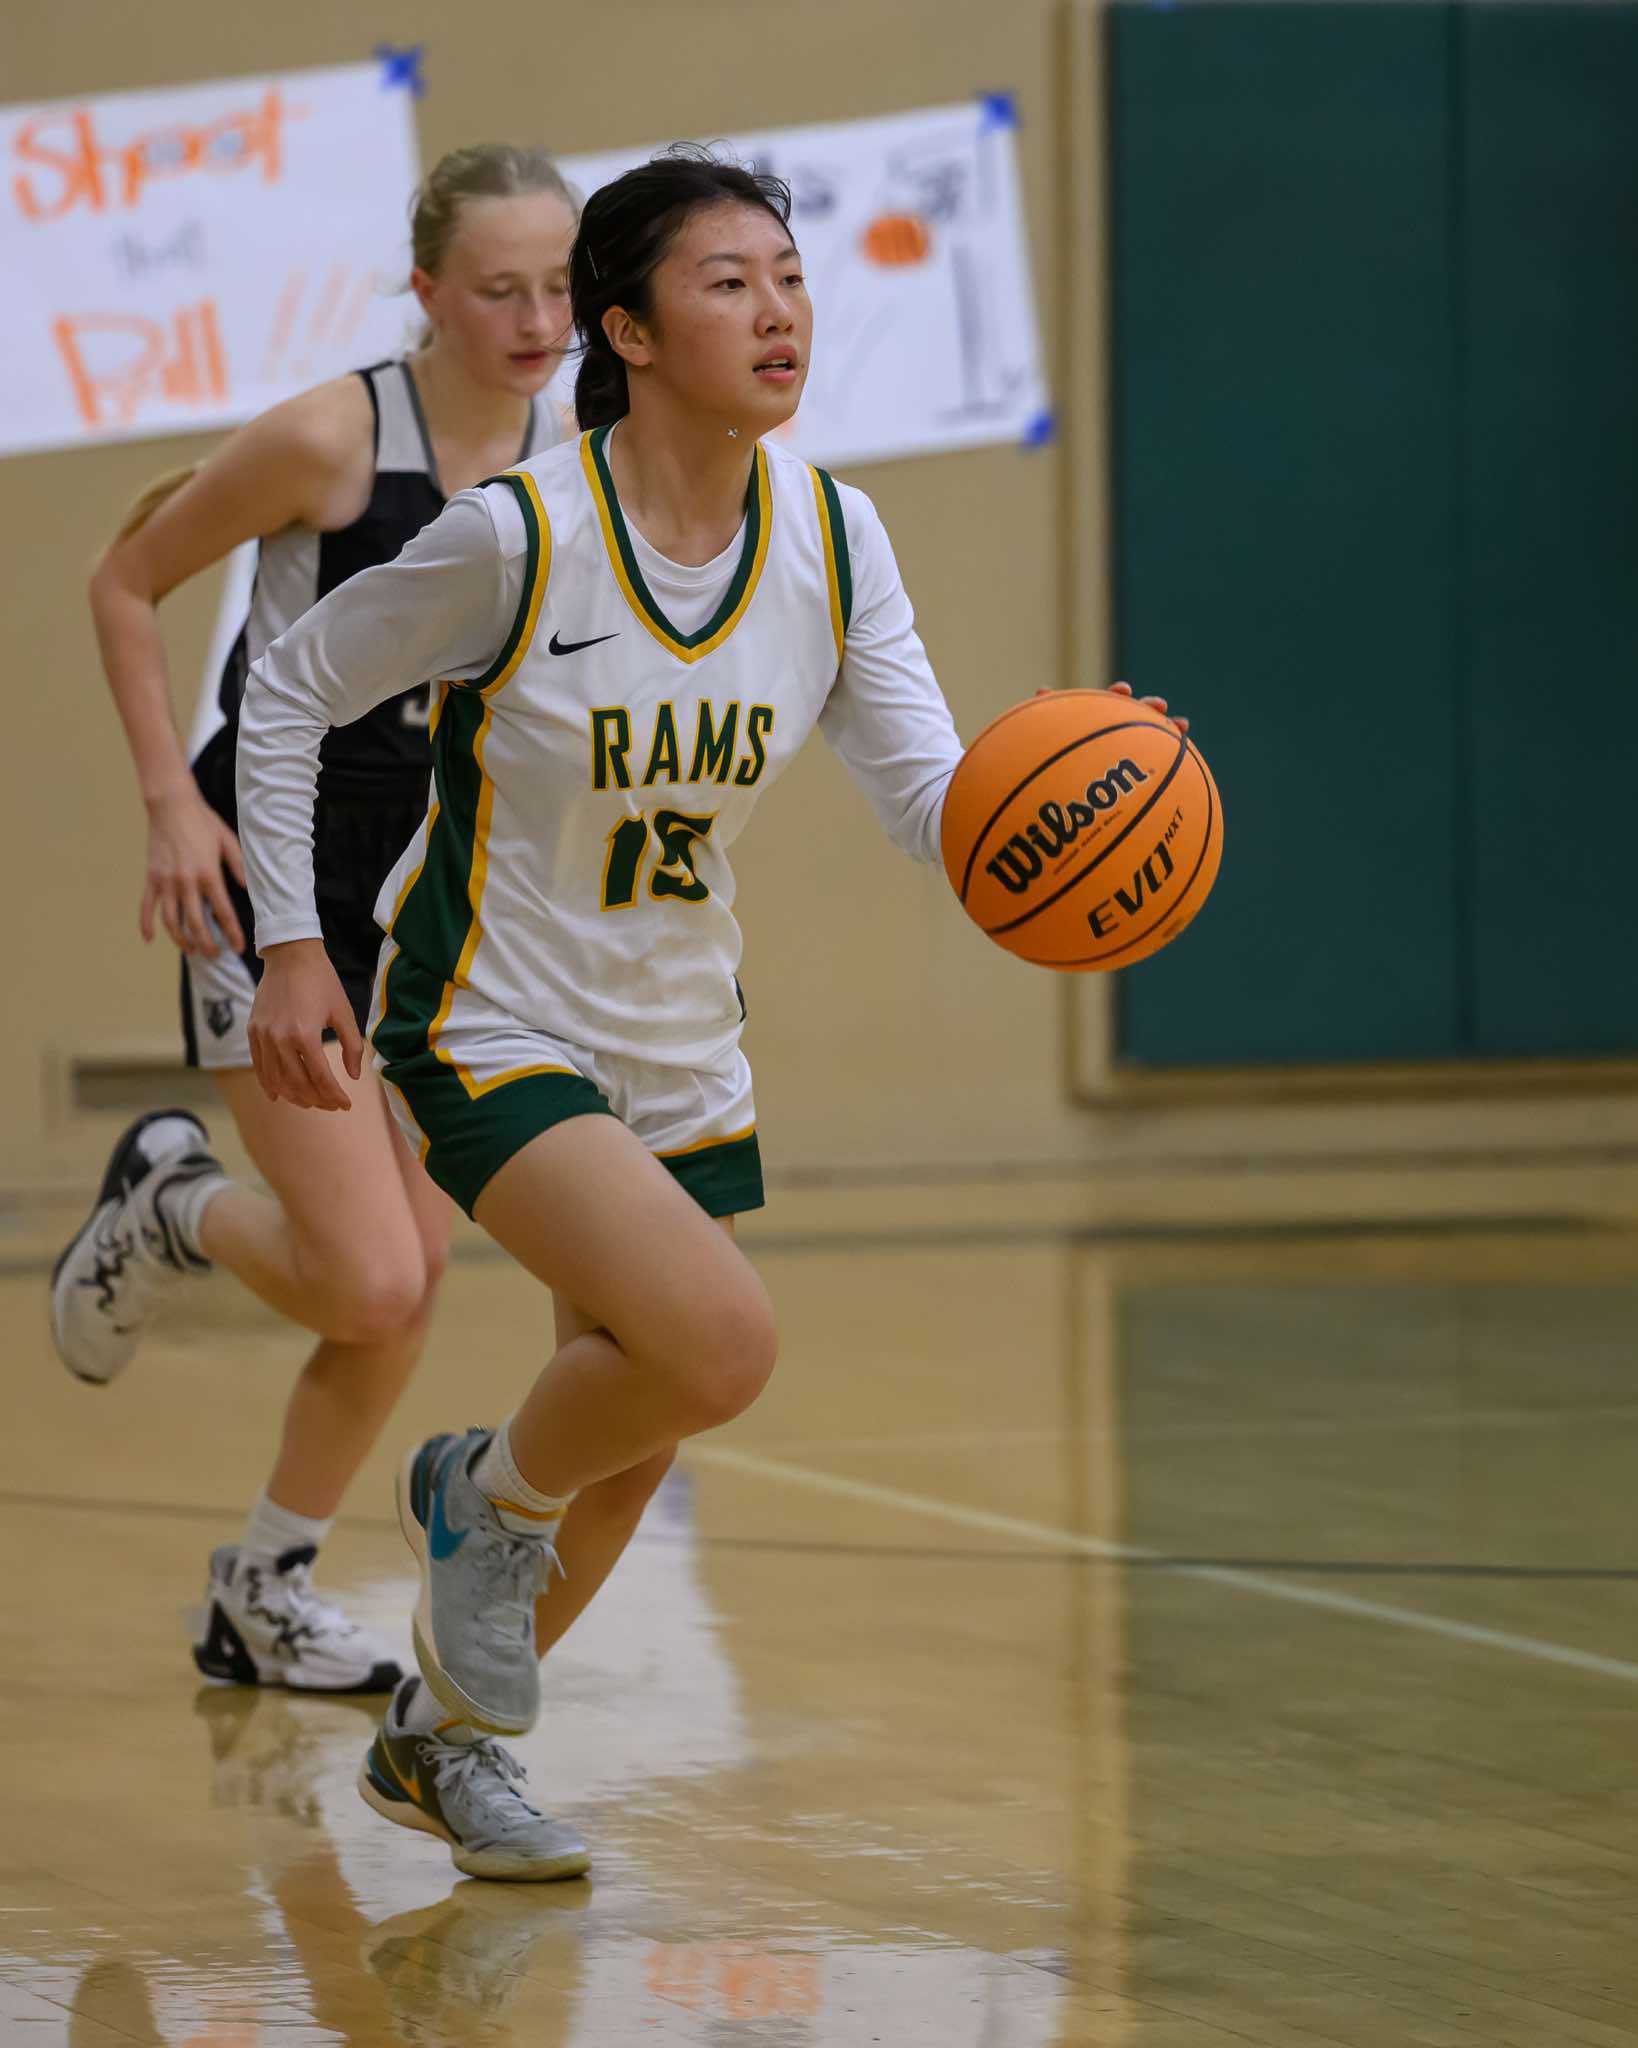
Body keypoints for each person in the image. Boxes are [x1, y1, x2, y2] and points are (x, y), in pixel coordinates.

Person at [235, 145, 1182, 1881]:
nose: (777, 311)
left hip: (679, 1038)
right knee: (717, 1346)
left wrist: (1068, 787)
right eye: (729, 282)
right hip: (492, 1013)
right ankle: (470, 1495)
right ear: (629, 329)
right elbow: (291, 686)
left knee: (631, 1428)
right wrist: (294, 948)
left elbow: (932, 803)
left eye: (791, 278)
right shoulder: (521, 535)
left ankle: (444, 1747)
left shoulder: (833, 534)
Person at [49, 143, 578, 1698]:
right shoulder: (333, 439)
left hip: (423, 910)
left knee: (410, 1280)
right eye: (499, 289)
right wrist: (170, 804)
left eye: (559, 288)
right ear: (427, 292)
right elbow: (124, 580)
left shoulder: (572, 457)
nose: (535, 320)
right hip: (272, 884)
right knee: (370, 1282)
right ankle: (168, 1206)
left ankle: (263, 1589)